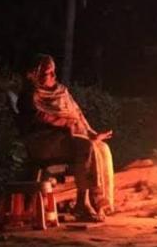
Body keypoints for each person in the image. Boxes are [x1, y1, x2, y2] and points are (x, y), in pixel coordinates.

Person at [17, 54, 114, 222]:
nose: (53, 75)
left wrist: (91, 133)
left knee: (102, 148)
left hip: (64, 139)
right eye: (48, 72)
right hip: (43, 141)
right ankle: (82, 203)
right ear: (35, 74)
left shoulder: (60, 91)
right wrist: (63, 123)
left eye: (54, 71)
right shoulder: (29, 95)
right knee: (86, 146)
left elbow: (77, 113)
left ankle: (98, 203)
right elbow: (38, 118)